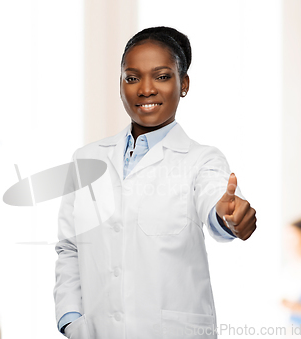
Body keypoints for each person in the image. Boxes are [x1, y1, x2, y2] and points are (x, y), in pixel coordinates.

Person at [53, 26, 257, 339]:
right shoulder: (86, 159)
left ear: (183, 84)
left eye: (161, 76)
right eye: (132, 77)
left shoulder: (201, 160)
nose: (145, 89)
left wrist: (229, 217)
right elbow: (69, 248)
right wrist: (70, 320)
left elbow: (216, 198)